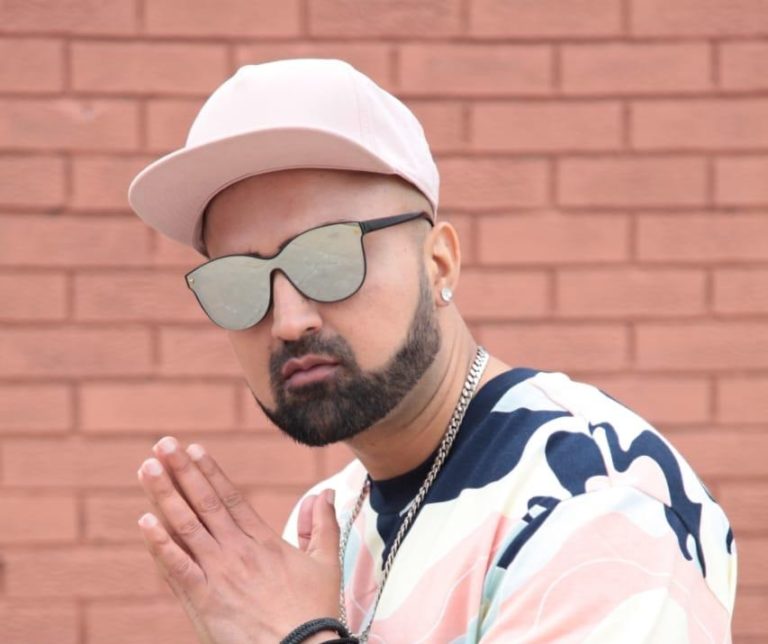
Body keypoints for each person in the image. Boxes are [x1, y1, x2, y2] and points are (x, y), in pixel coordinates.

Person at [128, 59, 737, 644]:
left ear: (438, 261)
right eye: (237, 283)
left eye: (327, 257)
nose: (288, 321)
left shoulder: (596, 499)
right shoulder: (328, 522)